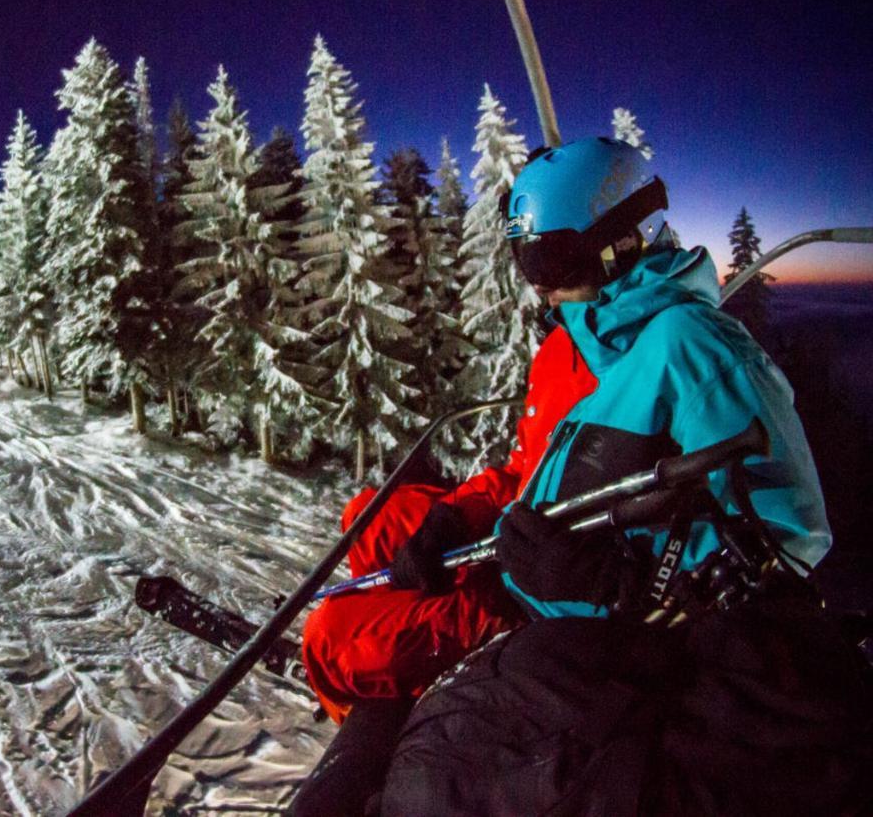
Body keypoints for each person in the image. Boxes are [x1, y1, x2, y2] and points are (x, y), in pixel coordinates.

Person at [294, 138, 861, 816]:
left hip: (564, 606)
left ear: (621, 243)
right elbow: (534, 472)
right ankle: (397, 672)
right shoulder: (581, 336)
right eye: (527, 261)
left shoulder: (689, 346)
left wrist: (609, 584)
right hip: (535, 558)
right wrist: (458, 519)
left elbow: (785, 540)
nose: (541, 284)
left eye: (553, 259)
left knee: (335, 636)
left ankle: (385, 714)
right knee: (375, 515)